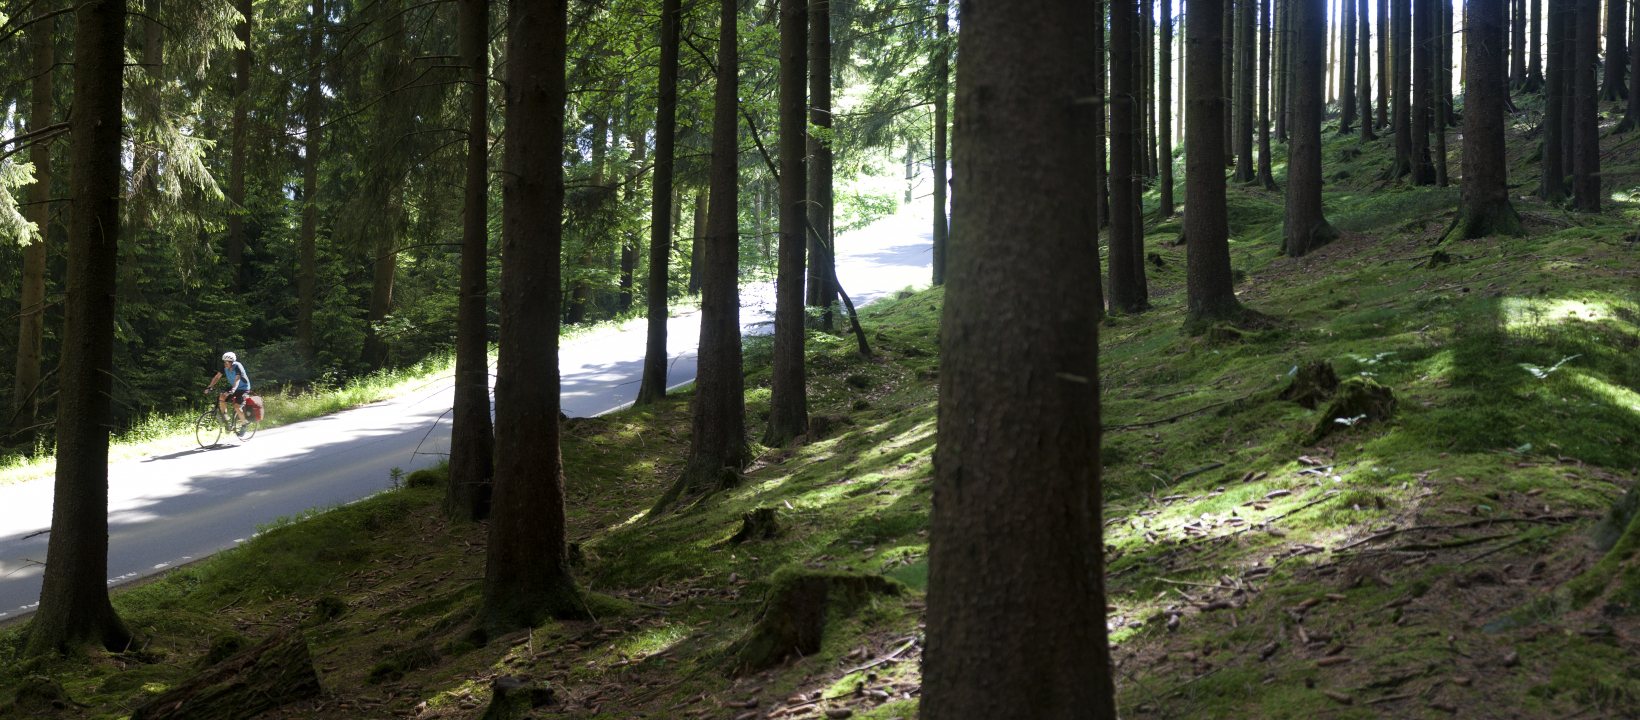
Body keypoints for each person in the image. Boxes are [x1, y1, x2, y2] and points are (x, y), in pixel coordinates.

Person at [205, 351, 252, 436]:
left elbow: (237, 379)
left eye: (228, 362)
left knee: (237, 406)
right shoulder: (224, 367)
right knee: (222, 397)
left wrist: (233, 390)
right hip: (234, 388)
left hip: (243, 389)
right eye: (225, 361)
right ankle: (226, 419)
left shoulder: (237, 366)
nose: (226, 363)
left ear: (232, 362)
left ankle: (244, 424)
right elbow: (217, 377)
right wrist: (209, 387)